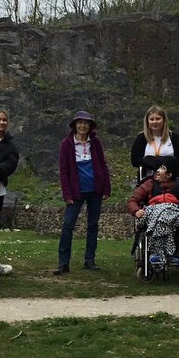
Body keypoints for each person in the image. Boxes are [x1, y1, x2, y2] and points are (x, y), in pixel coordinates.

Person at [53, 110, 111, 274]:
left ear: (90, 126)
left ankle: (89, 260)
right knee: (68, 226)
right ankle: (63, 263)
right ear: (74, 125)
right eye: (80, 122)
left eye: (86, 123)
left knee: (92, 225)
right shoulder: (67, 144)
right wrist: (67, 194)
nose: (83, 125)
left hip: (95, 189)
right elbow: (64, 171)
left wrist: (106, 187)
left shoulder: (95, 142)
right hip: (76, 191)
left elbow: (103, 165)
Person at [127, 160, 179, 262]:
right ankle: (158, 252)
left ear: (169, 175)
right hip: (155, 212)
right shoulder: (149, 184)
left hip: (175, 212)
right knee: (162, 217)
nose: (157, 171)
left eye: (162, 169)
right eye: (159, 168)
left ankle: (174, 251)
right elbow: (133, 201)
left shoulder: (178, 186)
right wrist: (136, 211)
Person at [129, 105, 179, 180]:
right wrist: (149, 162)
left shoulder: (174, 138)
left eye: (158, 119)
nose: (155, 122)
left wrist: (164, 163)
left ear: (164, 120)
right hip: (147, 179)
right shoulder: (141, 138)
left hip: (170, 179)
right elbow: (135, 161)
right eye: (152, 119)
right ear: (147, 121)